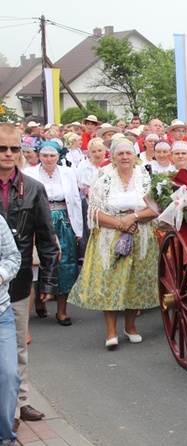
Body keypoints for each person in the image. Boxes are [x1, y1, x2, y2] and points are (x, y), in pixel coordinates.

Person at [69, 138, 159, 348]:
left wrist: (133, 218)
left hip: (140, 235)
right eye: (120, 154)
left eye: (129, 153)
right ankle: (111, 332)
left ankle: (130, 326)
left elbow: (155, 208)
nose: (125, 157)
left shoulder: (145, 178)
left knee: (134, 282)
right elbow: (94, 212)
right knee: (110, 282)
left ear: (135, 157)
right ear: (113, 157)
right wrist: (120, 223)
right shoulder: (104, 179)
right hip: (109, 237)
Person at [0, 123, 60, 430]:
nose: (8, 154)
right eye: (2, 148)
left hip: (20, 280)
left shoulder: (33, 187)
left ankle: (20, 402)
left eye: (14, 148)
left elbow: (46, 238)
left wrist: (48, 280)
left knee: (19, 345)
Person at [24, 141, 83, 326]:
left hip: (64, 221)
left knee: (65, 264)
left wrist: (78, 229)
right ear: (39, 156)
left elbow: (74, 201)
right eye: (45, 155)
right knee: (39, 261)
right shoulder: (29, 173)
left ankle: (62, 311)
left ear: (59, 156)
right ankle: (40, 303)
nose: (49, 159)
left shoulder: (68, 172)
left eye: (52, 155)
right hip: (39, 220)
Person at [0, 213, 21, 446]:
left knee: (8, 374)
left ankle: (5, 437)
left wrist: (0, 275)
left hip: (1, 311)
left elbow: (13, 257)